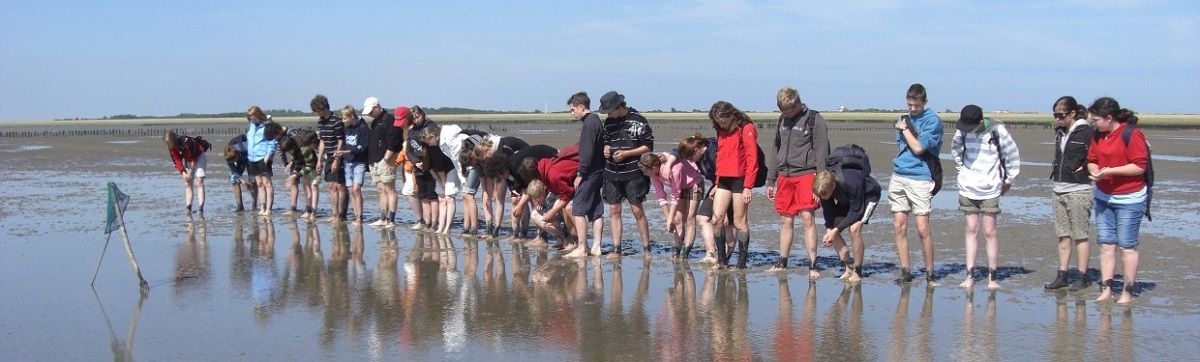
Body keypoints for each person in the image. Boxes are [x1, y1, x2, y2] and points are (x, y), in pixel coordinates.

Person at [950, 104, 1021, 290]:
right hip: (967, 187)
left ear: (980, 122)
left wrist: (1008, 179)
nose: (965, 130)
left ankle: (992, 277)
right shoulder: (962, 131)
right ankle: (970, 275)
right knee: (971, 228)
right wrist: (961, 171)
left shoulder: (997, 131)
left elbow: (1012, 154)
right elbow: (956, 150)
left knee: (989, 231)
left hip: (990, 187)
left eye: (970, 126)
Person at [1086, 97, 1149, 305]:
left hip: (1130, 198)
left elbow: (1139, 166)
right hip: (1104, 197)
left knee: (1127, 246)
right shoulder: (1098, 135)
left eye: (1096, 119)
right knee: (1106, 244)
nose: (1093, 123)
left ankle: (1127, 292)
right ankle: (1106, 290)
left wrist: (1110, 171)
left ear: (1109, 117)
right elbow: (1092, 160)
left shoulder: (1131, 133)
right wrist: (1095, 172)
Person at [765, 87, 829, 276]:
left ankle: (813, 265)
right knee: (785, 219)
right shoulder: (782, 120)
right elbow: (776, 148)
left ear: (798, 104)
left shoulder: (814, 119)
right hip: (785, 175)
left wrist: (819, 182)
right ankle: (782, 262)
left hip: (807, 174)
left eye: (789, 111)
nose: (785, 114)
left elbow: (822, 151)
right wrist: (771, 179)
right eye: (782, 111)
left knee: (807, 218)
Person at [888, 83, 943, 286]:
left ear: (924, 102)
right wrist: (903, 127)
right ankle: (905, 271)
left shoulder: (932, 121)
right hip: (899, 175)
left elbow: (919, 148)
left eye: (916, 105)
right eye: (910, 105)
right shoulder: (904, 119)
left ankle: (930, 273)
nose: (912, 109)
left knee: (922, 229)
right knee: (899, 226)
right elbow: (902, 147)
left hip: (920, 177)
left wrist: (904, 130)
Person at [1044, 96, 1095, 291]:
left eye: (1061, 115)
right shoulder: (1060, 132)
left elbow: (1095, 156)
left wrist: (1084, 169)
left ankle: (1082, 276)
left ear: (1073, 113)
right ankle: (1062, 275)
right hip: (1059, 189)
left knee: (1080, 235)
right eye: (1055, 115)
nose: (1058, 119)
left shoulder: (1086, 132)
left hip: (1079, 190)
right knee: (1063, 235)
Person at [598, 91, 656, 255]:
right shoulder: (609, 122)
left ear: (618, 106)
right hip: (611, 171)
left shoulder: (638, 120)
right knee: (614, 210)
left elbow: (648, 147)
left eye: (609, 111)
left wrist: (626, 153)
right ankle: (617, 248)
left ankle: (646, 248)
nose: (608, 114)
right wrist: (606, 149)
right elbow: (606, 141)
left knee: (637, 210)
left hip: (633, 171)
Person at [811, 148, 881, 283]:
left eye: (825, 196)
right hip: (846, 198)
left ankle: (858, 272)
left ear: (833, 186)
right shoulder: (824, 187)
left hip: (868, 196)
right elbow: (828, 210)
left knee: (854, 229)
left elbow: (856, 211)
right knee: (833, 228)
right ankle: (848, 266)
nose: (824, 198)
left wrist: (837, 230)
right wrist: (830, 229)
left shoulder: (851, 181)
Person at [708, 101, 759, 269]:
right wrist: (716, 183)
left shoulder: (746, 127)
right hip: (723, 178)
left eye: (723, 119)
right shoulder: (719, 129)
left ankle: (741, 263)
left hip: (740, 179)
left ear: (732, 115)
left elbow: (752, 159)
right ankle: (722, 261)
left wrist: (748, 186)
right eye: (718, 120)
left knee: (739, 222)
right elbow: (721, 155)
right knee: (716, 220)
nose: (721, 123)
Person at [639, 135, 705, 258]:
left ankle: (686, 252)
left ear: (654, 167)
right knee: (678, 220)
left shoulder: (674, 169)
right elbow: (661, 195)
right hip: (681, 188)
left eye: (645, 171)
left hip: (694, 183)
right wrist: (669, 218)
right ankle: (677, 250)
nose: (644, 174)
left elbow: (675, 194)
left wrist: (670, 218)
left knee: (690, 218)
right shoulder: (653, 174)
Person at [564, 92, 606, 258]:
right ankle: (597, 246)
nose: (571, 113)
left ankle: (583, 247)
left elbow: (587, 153)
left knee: (578, 209)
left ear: (581, 107)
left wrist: (580, 174)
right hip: (598, 171)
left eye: (573, 109)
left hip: (590, 173)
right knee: (596, 210)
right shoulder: (595, 120)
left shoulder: (589, 123)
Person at [519, 143, 581, 248]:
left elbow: (566, 195)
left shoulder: (553, 175)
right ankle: (567, 240)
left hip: (582, 180)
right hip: (569, 186)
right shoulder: (543, 165)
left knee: (566, 209)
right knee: (555, 208)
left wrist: (552, 212)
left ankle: (576, 241)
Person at [474, 132, 530, 238]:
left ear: (487, 150)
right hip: (509, 170)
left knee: (519, 200)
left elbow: (512, 169)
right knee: (498, 196)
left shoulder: (504, 148)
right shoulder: (494, 151)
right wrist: (510, 187)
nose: (486, 160)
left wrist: (513, 187)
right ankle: (496, 231)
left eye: (485, 158)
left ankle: (523, 233)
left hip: (524, 168)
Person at [363, 97, 403, 228]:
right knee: (381, 190)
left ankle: (391, 219)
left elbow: (395, 139)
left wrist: (387, 158)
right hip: (374, 160)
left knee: (389, 189)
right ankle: (383, 218)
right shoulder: (374, 122)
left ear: (377, 107)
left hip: (385, 159)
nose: (369, 114)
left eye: (370, 111)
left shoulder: (389, 119)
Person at [312, 94, 346, 223]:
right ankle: (334, 213)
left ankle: (340, 215)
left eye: (317, 111)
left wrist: (337, 159)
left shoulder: (337, 120)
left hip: (338, 155)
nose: (317, 114)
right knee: (331, 186)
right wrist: (319, 159)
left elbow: (341, 141)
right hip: (328, 156)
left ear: (323, 108)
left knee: (339, 186)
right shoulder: (320, 122)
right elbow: (322, 141)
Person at [406, 105, 438, 231]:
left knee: (432, 196)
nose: (416, 119)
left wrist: (425, 162)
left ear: (422, 114)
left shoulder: (430, 126)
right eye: (413, 117)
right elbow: (409, 150)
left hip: (431, 167)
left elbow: (434, 147)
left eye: (418, 115)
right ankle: (427, 222)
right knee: (423, 196)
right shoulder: (411, 131)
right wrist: (415, 162)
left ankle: (435, 223)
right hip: (418, 167)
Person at [164, 130, 210, 215]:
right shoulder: (171, 148)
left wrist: (190, 172)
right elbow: (177, 160)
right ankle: (188, 208)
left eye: (169, 144)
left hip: (199, 156)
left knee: (199, 181)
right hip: (188, 158)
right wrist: (183, 172)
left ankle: (200, 208)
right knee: (187, 182)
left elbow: (193, 158)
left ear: (174, 140)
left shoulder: (187, 142)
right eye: (167, 144)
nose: (169, 146)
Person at [246, 106, 280, 216]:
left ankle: (268, 209)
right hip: (252, 158)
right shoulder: (251, 126)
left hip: (263, 158)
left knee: (267, 183)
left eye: (252, 117)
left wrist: (268, 156)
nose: (251, 119)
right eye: (250, 118)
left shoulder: (266, 126)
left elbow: (272, 142)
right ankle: (262, 207)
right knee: (259, 184)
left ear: (258, 115)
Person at [340, 106, 371, 224]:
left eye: (344, 118)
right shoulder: (346, 129)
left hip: (359, 162)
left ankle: (359, 217)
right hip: (347, 162)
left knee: (356, 189)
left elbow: (363, 147)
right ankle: (355, 214)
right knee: (350, 190)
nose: (343, 121)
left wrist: (347, 151)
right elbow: (344, 143)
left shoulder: (363, 128)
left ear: (351, 116)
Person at [278, 130, 318, 220]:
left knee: (313, 188)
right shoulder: (294, 152)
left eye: (289, 151)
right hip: (305, 169)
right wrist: (293, 174)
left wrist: (296, 175)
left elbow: (310, 165)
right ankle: (308, 210)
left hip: (313, 168)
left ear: (292, 146)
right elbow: (297, 163)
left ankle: (313, 211)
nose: (288, 153)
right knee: (306, 189)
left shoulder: (304, 150)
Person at [393, 107, 422, 227]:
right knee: (415, 193)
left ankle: (421, 220)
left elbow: (408, 151)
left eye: (402, 122)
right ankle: (422, 219)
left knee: (409, 192)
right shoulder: (405, 130)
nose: (400, 125)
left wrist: (396, 163)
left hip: (414, 166)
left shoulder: (412, 130)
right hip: (407, 167)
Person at [223, 134, 257, 212]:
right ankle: (239, 206)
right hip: (241, 157)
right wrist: (242, 181)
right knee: (234, 179)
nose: (234, 162)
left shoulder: (246, 147)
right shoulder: (228, 156)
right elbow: (234, 171)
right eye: (233, 162)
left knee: (253, 180)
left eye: (234, 160)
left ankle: (254, 205)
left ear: (237, 154)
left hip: (251, 156)